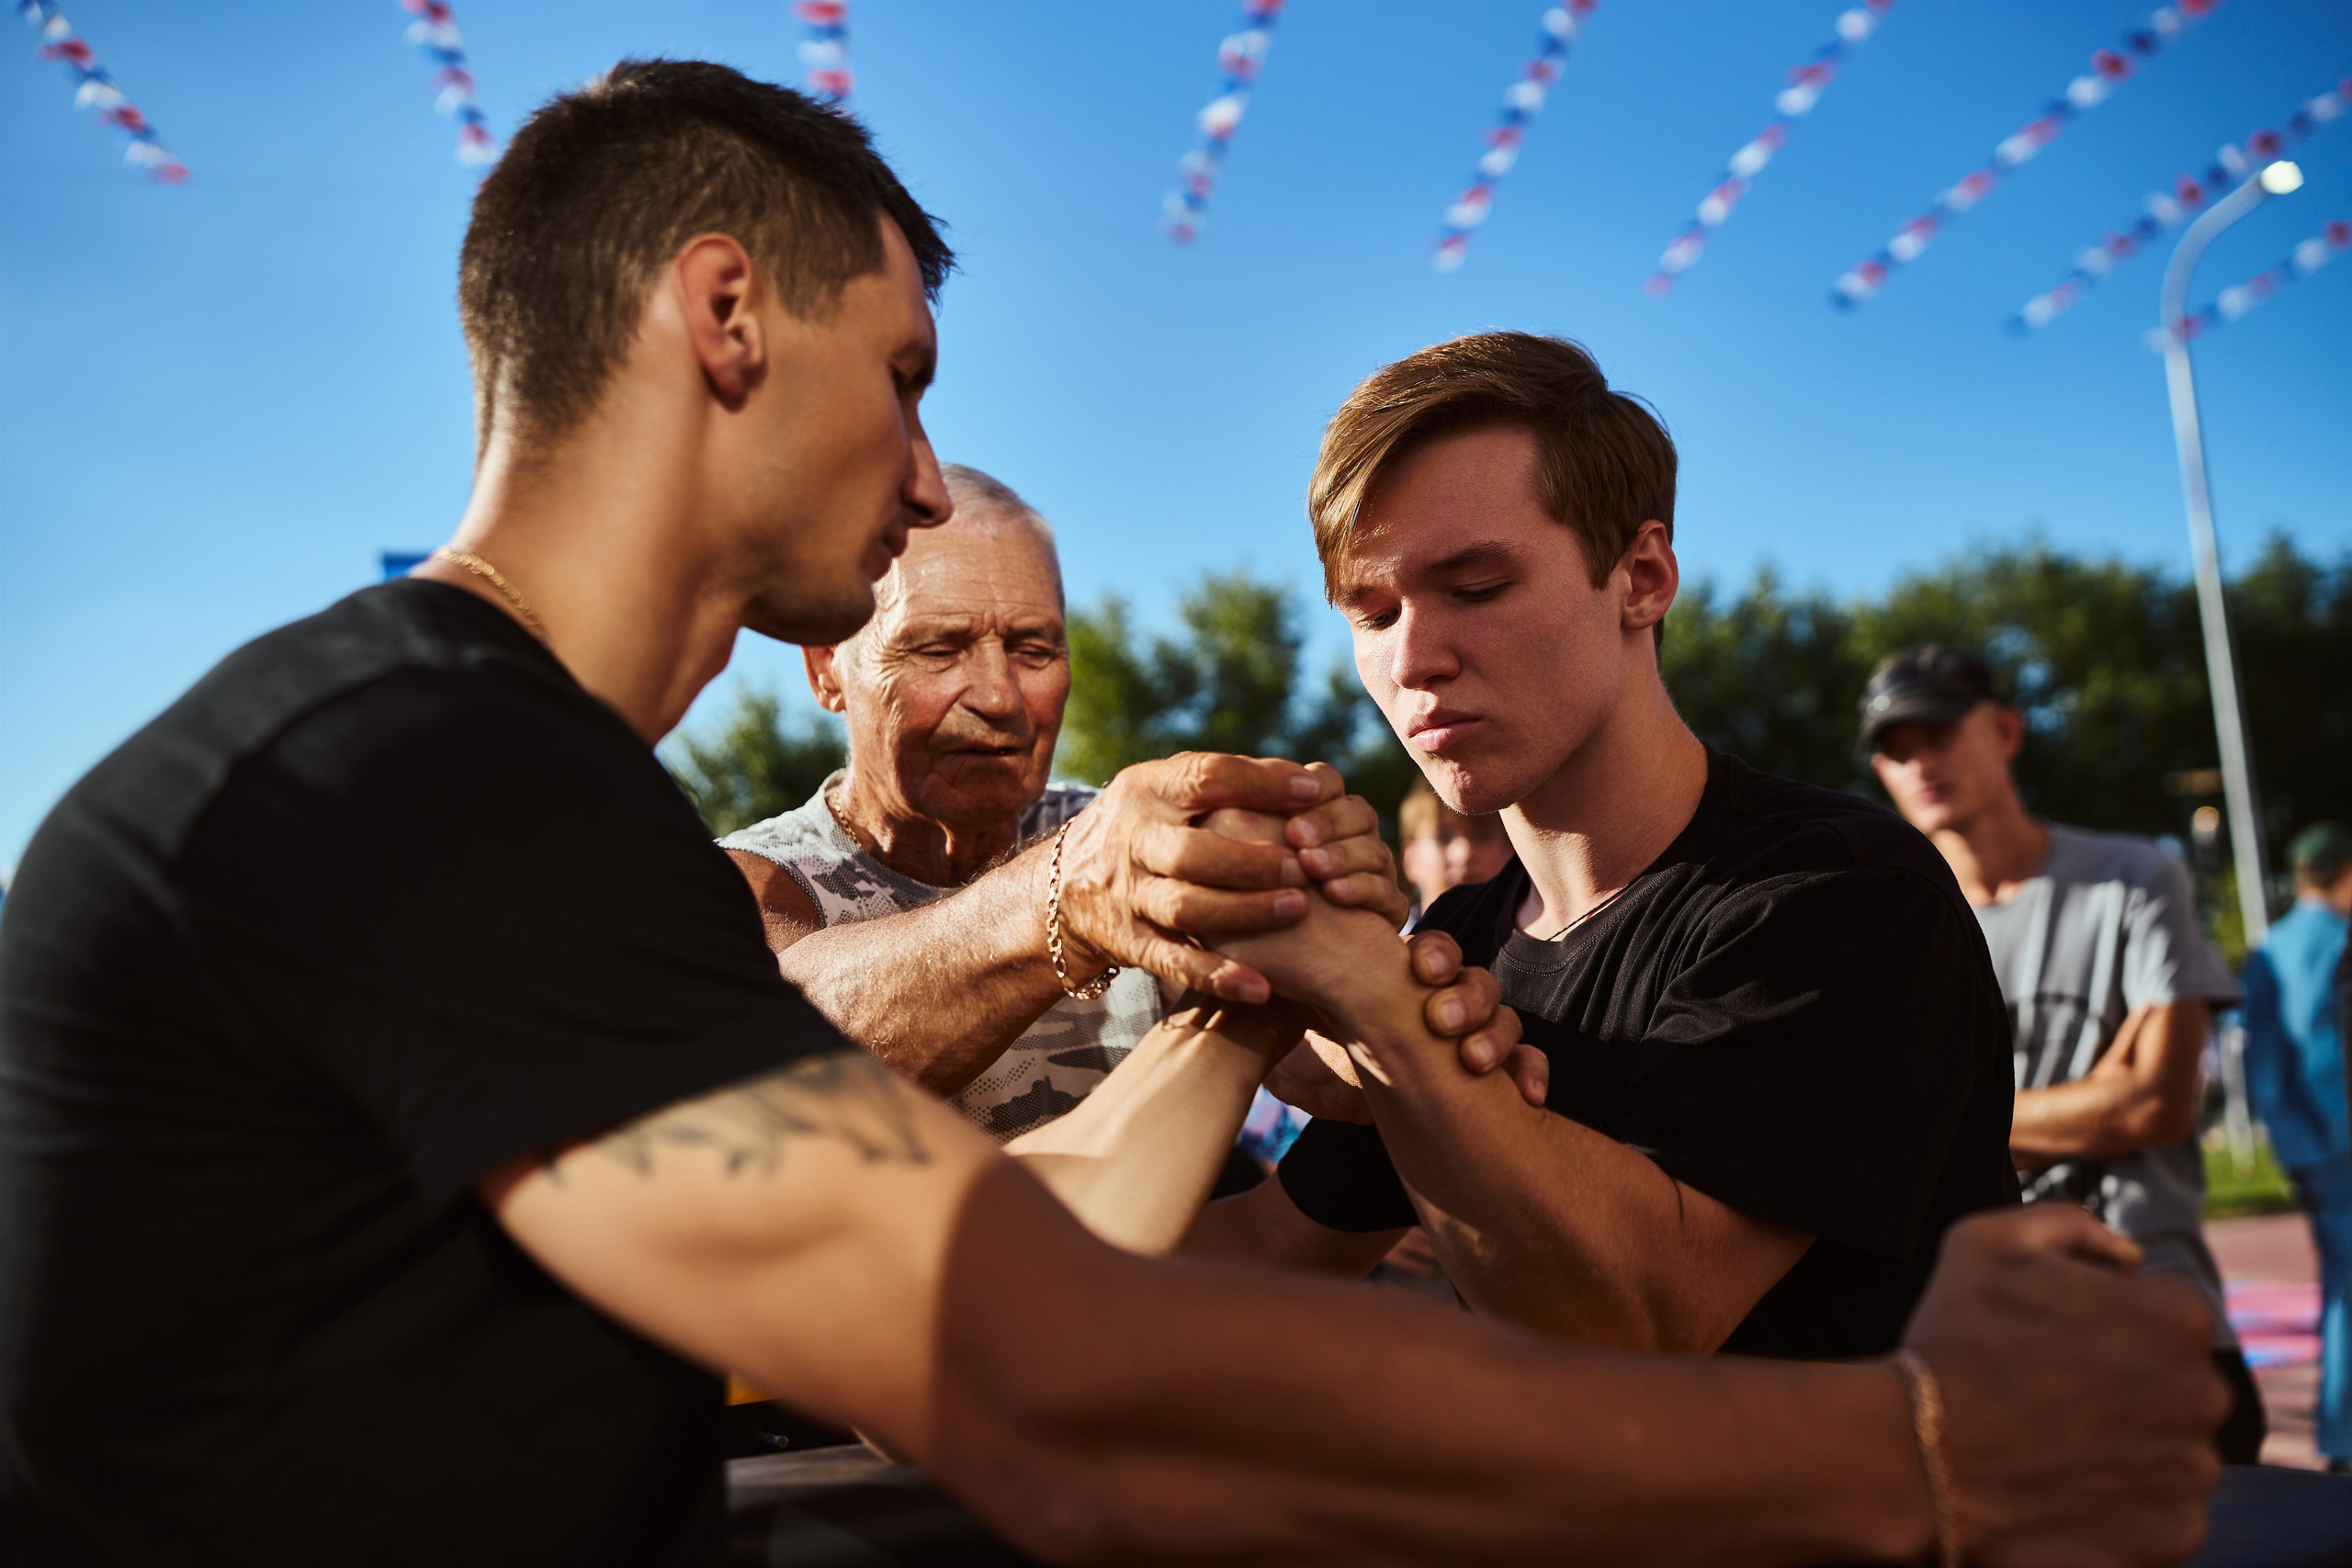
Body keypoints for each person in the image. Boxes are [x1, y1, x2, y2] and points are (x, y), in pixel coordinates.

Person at [0, 62, 2227, 1568]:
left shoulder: (461, 765)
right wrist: (1915, 1445)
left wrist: (1248, 1003)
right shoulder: (424, 778)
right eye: (905, 380)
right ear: (721, 315)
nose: (917, 479)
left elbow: (997, 1232)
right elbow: (1043, 1371)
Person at [1189, 332, 2020, 1369]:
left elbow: (1637, 1321)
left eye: (1476, 586)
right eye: (1372, 610)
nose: (1413, 658)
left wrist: (1376, 1019)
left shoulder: (1834, 893)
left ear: (1640, 577)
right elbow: (1263, 1253)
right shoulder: (1458, 938)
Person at [716, 465, 1532, 1147]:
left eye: (1035, 648)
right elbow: (775, 1038)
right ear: (826, 669)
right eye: (939, 647)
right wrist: (1068, 897)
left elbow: (1317, 1065)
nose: (1000, 695)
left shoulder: (1136, 844)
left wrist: (1407, 1010)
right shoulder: (758, 878)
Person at [1864, 644, 2264, 1463]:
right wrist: (2090, 1096)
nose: (1918, 761)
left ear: (2006, 729)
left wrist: (1954, 1118)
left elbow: (2154, 1102)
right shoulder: (1883, 929)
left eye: (1937, 730)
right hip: (1984, 1343)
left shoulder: (2134, 878)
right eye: (1895, 746)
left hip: (2154, 1318)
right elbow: (1875, 1135)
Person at [2244, 821, 2352, 1472]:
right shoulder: (2342, 941)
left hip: (2302, 1141)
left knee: (2340, 1282)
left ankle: (2340, 1432)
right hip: (2342, 1138)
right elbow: (2331, 1047)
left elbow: (2264, 1059)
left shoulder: (2269, 946)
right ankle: (2342, 1434)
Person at [1397, 776, 1513, 922]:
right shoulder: (1380, 942)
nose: (1464, 854)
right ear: (1410, 860)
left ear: (1511, 852)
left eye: (1481, 836)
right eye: (1443, 837)